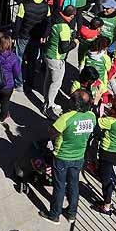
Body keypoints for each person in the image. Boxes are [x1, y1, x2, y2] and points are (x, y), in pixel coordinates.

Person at [43, 89, 97, 223]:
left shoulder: (66, 118)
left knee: (59, 186)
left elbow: (52, 133)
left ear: (75, 103)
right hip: (79, 157)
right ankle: (72, 214)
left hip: (62, 157)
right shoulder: (91, 116)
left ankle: (54, 215)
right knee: (73, 185)